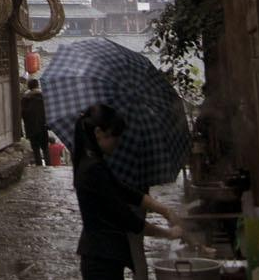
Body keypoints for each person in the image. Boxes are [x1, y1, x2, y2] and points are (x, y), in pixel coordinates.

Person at [71, 104, 184, 280]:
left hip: (104, 255)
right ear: (99, 132)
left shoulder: (93, 162)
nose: (118, 142)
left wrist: (165, 210)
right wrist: (167, 233)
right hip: (101, 258)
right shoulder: (93, 169)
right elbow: (126, 217)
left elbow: (123, 190)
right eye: (115, 136)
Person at [21, 78, 48, 166]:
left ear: (29, 87)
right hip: (43, 126)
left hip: (31, 127)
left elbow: (22, 113)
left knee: (36, 149)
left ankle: (39, 165)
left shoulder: (25, 99)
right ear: (37, 85)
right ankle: (49, 164)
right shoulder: (43, 97)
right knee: (45, 148)